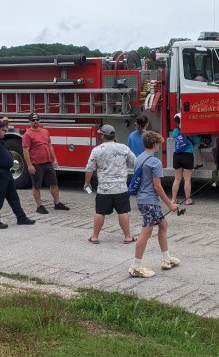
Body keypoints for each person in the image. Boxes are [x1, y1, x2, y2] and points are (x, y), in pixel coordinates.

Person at [128, 131, 179, 278]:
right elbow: (157, 186)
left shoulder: (139, 158)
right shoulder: (155, 162)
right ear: (155, 144)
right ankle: (135, 266)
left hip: (143, 200)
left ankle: (167, 258)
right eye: (159, 144)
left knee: (163, 225)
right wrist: (170, 204)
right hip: (150, 201)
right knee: (146, 231)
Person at [84, 124, 137, 244]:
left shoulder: (97, 150)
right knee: (123, 211)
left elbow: (89, 168)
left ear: (103, 135)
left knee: (100, 212)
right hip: (121, 188)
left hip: (104, 189)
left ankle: (95, 237)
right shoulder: (123, 148)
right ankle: (128, 237)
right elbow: (135, 162)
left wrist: (87, 183)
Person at [0, 118, 35, 229]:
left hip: (6, 172)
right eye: (4, 130)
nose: (5, 132)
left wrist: (3, 121)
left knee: (13, 197)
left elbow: (0, 128)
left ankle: (21, 217)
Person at [22, 113, 69, 214]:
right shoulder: (27, 134)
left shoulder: (45, 131)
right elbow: (25, 150)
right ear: (29, 121)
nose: (36, 121)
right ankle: (40, 206)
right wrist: (29, 165)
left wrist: (54, 159)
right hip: (36, 164)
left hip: (48, 162)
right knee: (36, 185)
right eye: (33, 120)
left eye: (37, 120)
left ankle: (57, 203)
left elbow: (50, 146)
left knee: (54, 183)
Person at [171, 113, 201, 205]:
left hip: (177, 155)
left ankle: (173, 199)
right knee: (187, 179)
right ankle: (187, 200)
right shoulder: (190, 131)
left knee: (177, 178)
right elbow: (197, 141)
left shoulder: (176, 131)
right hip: (187, 156)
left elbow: (174, 137)